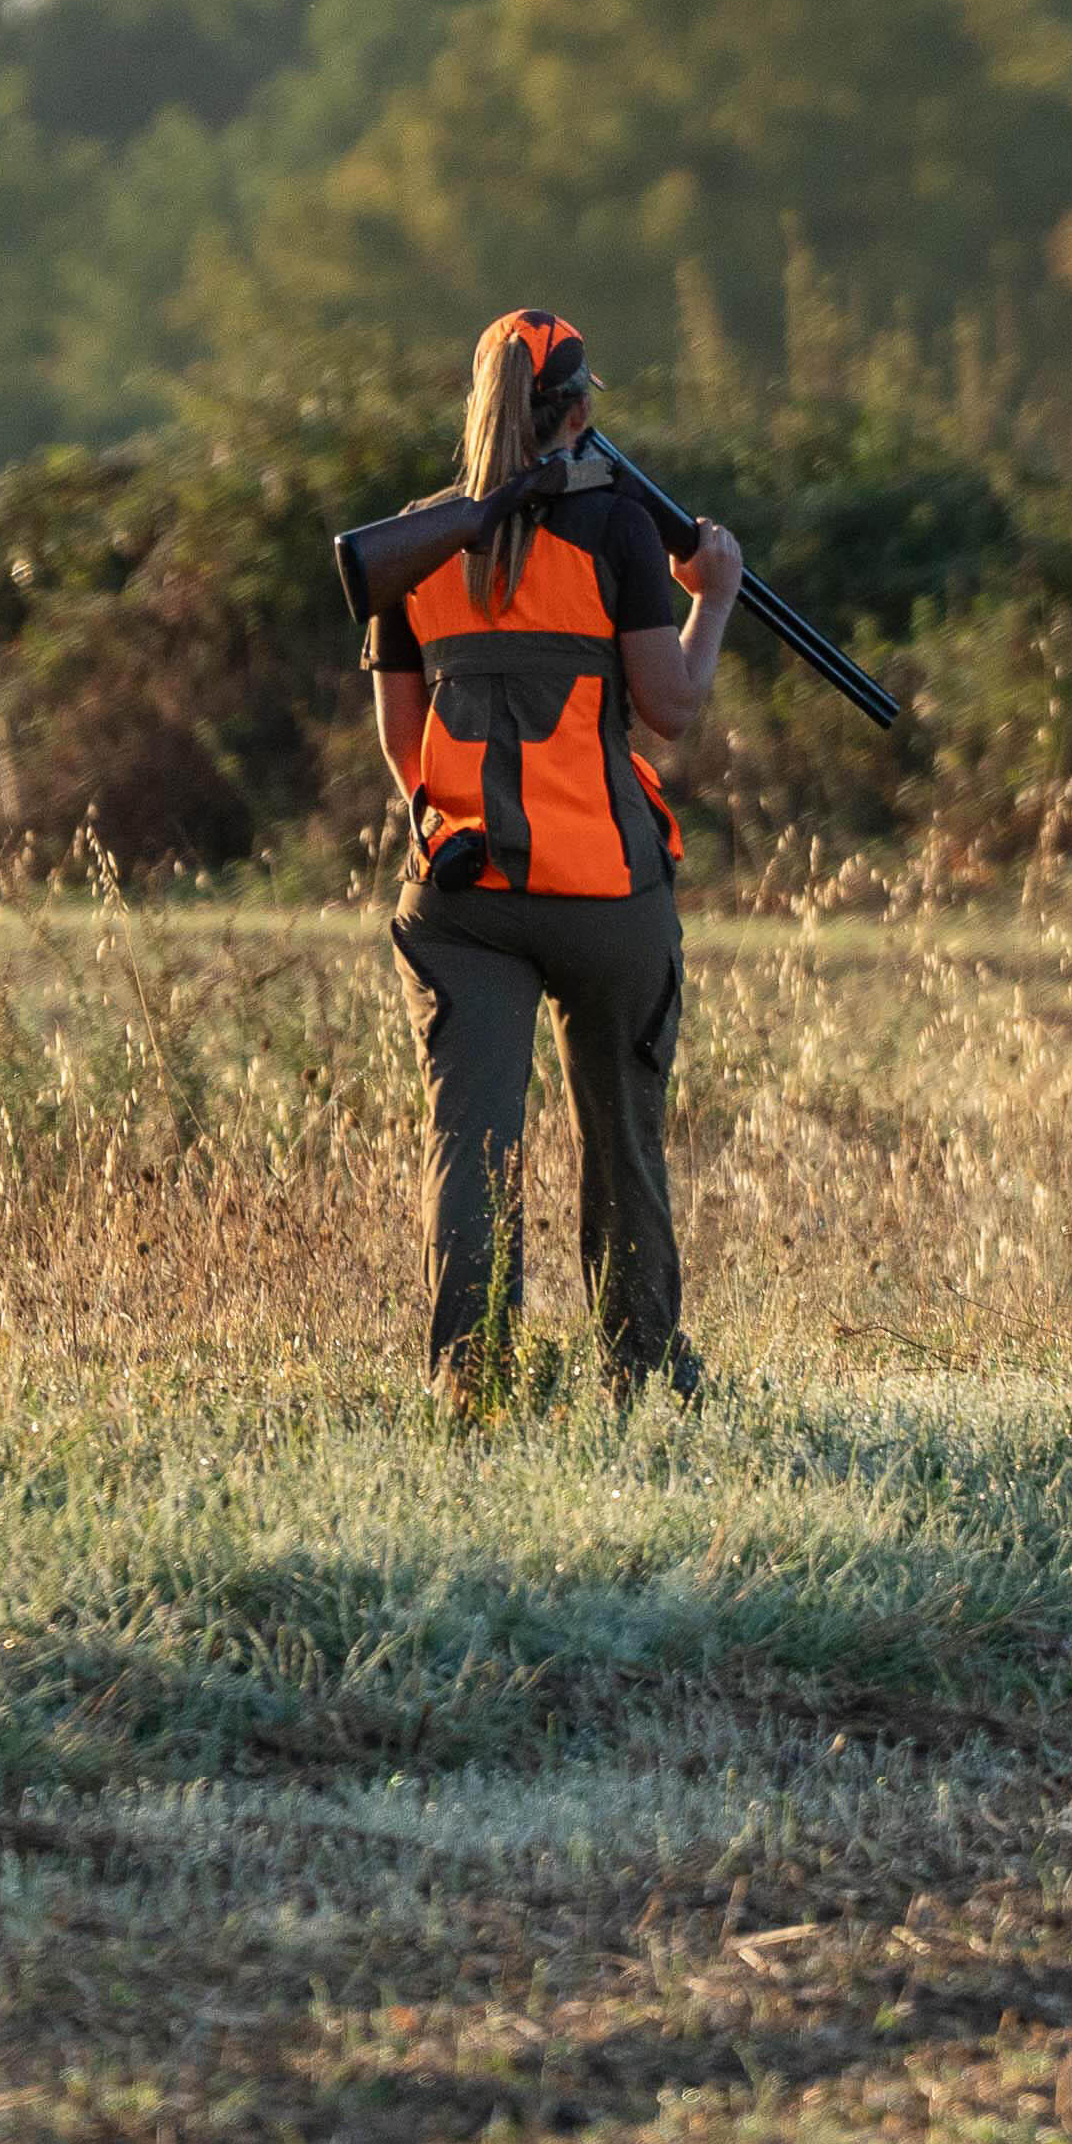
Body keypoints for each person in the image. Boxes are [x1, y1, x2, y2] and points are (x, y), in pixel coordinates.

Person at [339, 307, 739, 1410]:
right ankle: (643, 1372)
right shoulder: (612, 528)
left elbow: (398, 735)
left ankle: (474, 1381)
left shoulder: (417, 539)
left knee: (472, 1145)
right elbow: (669, 707)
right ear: (575, 411)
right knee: (622, 1135)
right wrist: (714, 598)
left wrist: (447, 825)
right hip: (606, 887)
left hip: (463, 890)